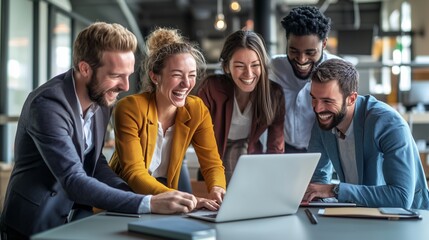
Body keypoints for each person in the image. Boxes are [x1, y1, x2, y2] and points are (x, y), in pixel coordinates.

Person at [0, 22, 198, 239]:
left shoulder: (102, 97)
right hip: (31, 223)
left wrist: (133, 195)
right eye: (116, 76)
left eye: (128, 75)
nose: (124, 86)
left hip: (71, 218)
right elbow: (73, 179)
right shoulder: (48, 105)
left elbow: (94, 164)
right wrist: (148, 202)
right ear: (85, 69)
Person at [109, 28, 226, 208]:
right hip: (124, 198)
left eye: (192, 75)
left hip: (165, 198)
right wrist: (187, 199)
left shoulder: (197, 109)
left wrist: (217, 188)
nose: (186, 84)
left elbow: (212, 165)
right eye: (177, 75)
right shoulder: (129, 108)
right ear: (155, 76)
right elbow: (134, 174)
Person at [303, 58, 429, 209]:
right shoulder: (325, 120)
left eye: (327, 101)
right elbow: (317, 183)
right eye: (314, 99)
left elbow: (400, 197)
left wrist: (334, 190)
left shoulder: (388, 123)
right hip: (361, 214)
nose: (317, 109)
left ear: (351, 98)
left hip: (408, 219)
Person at [197, 30, 285, 184]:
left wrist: (275, 179)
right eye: (239, 66)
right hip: (213, 158)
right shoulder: (211, 88)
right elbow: (198, 135)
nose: (248, 73)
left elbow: (276, 146)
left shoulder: (274, 94)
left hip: (249, 157)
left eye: (255, 65)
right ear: (226, 67)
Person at [270, 6, 339, 153]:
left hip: (324, 150)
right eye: (293, 51)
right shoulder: (275, 67)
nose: (301, 60)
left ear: (324, 44)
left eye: (310, 52)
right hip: (285, 150)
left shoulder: (338, 71)